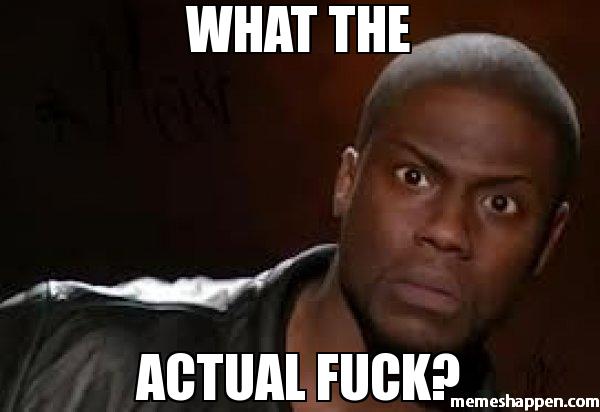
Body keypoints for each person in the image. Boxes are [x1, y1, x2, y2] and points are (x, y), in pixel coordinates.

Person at [0, 32, 580, 411]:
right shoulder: (67, 353)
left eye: (500, 204)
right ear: (347, 182)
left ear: (548, 241)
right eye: (414, 177)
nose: (448, 231)